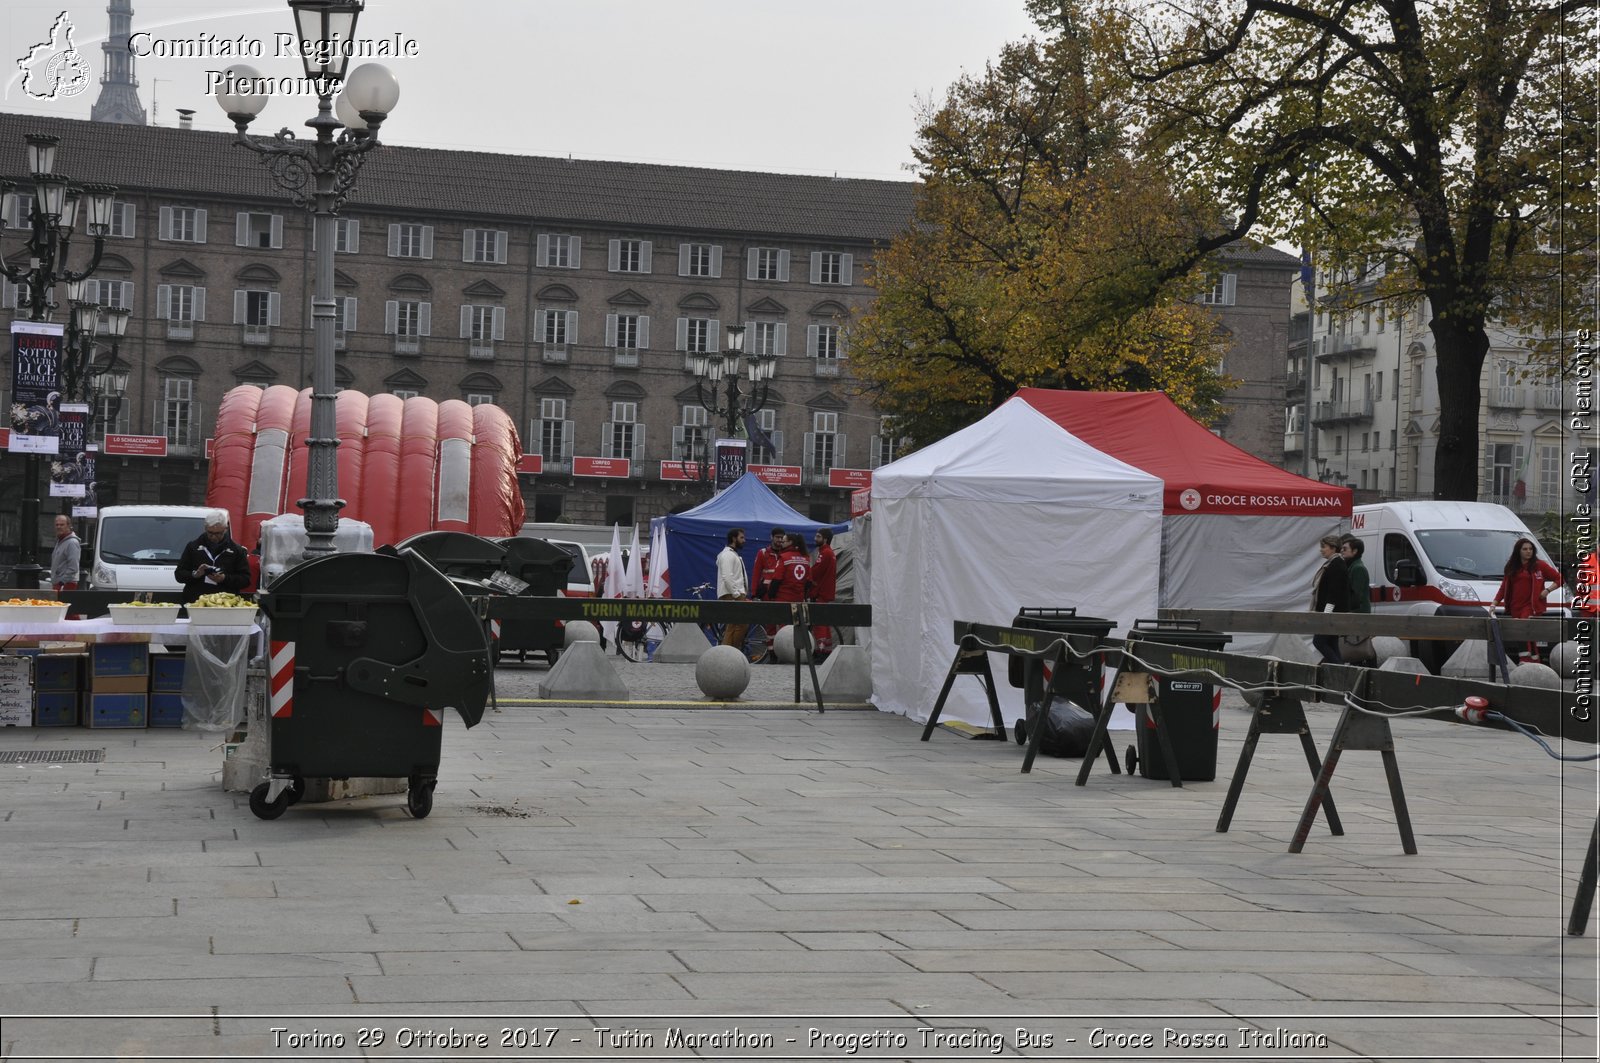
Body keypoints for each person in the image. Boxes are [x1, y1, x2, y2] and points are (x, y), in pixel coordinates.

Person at [1491, 536, 1563, 662]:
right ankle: (1535, 660)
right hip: (1515, 606)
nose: (1528, 551)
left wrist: (1547, 590)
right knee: (1528, 634)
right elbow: (1504, 587)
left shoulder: (1540, 565)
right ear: (1518, 551)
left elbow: (1560, 579)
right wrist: (1494, 604)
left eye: (1530, 549)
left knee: (1522, 629)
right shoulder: (1512, 566)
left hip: (1532, 606)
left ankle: (1524, 659)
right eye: (1525, 549)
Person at [175, 509, 251, 604]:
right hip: (195, 603)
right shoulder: (193, 547)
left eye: (218, 533)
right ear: (205, 528)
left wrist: (224, 578)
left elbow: (246, 580)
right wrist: (195, 574)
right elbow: (179, 574)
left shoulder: (237, 550)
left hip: (225, 604)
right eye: (210, 533)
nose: (214, 537)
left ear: (225, 529)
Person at [1310, 532, 1349, 663]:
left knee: (1319, 641)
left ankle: (1339, 668)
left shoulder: (1336, 565)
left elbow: (1334, 591)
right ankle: (1341, 670)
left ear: (1333, 548)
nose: (1321, 550)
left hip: (1330, 613)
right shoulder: (1334, 563)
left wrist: (1327, 614)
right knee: (1332, 643)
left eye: (1324, 547)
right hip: (1332, 612)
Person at [716, 526, 750, 650]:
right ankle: (731, 651)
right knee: (739, 624)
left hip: (734, 594)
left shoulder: (732, 554)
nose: (744, 540)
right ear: (733, 538)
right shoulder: (727, 555)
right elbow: (727, 576)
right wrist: (736, 594)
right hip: (731, 595)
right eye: (741, 537)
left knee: (734, 625)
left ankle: (729, 651)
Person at [809, 527, 838, 656]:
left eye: (818, 536)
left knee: (819, 623)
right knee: (824, 623)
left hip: (820, 592)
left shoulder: (825, 553)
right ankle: (826, 649)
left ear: (825, 539)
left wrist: (808, 578)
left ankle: (820, 650)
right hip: (825, 592)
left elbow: (815, 571)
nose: (815, 539)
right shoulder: (829, 552)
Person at [50, 514, 80, 593]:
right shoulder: (60, 541)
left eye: (62, 525)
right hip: (59, 583)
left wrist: (61, 583)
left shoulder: (72, 543)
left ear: (69, 526)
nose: (59, 527)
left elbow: (73, 567)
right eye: (57, 525)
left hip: (66, 584)